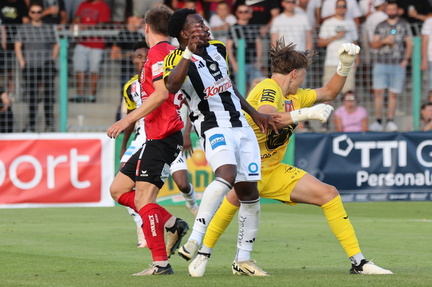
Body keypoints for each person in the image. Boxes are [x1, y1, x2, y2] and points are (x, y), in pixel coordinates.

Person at [187, 40, 393, 277]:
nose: (304, 80)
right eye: (303, 75)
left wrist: (344, 66)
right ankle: (205, 254)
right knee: (231, 203)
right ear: (295, 73)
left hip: (273, 170)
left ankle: (359, 262)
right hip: (249, 165)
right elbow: (266, 115)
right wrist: (305, 114)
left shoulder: (296, 96)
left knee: (329, 194)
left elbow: (329, 92)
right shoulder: (269, 86)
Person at [164, 8, 277, 277]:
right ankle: (195, 238)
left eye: (203, 24)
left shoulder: (218, 48)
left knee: (250, 193)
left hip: (240, 125)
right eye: (198, 26)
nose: (205, 28)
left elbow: (228, 85)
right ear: (183, 33)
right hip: (212, 125)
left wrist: (254, 112)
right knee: (225, 174)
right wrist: (188, 53)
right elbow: (171, 86)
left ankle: (243, 260)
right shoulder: (174, 58)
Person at [106, 6, 189, 276]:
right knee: (118, 190)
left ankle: (161, 264)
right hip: (154, 135)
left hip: (163, 134)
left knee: (144, 198)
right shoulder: (171, 53)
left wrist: (126, 120)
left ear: (146, 27)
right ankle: (172, 223)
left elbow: (161, 94)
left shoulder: (158, 53)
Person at [119, 41, 199, 248]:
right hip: (140, 138)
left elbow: (190, 105)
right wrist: (123, 145)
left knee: (181, 183)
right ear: (133, 60)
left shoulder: (168, 81)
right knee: (120, 185)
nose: (142, 60)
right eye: (138, 57)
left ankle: (191, 205)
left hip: (165, 136)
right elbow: (130, 115)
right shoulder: (130, 87)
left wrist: (187, 134)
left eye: (145, 56)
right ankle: (141, 223)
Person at [14, 2, 59, 132]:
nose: (36, 15)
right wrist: (22, 62)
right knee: (32, 97)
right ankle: (32, 125)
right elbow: (18, 45)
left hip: (46, 65)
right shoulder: (24, 28)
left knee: (48, 97)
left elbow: (56, 44)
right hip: (30, 66)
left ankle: (49, 124)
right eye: (33, 12)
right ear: (29, 13)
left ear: (42, 13)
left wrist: (52, 59)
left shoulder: (48, 28)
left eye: (38, 12)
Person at [369, 1, 413, 132]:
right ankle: (378, 121)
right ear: (386, 10)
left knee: (393, 94)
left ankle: (390, 121)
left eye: (394, 9)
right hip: (381, 62)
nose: (391, 11)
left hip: (397, 63)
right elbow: (373, 44)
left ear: (397, 10)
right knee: (378, 92)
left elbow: (409, 44)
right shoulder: (380, 25)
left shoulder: (404, 24)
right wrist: (384, 41)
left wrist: (406, 60)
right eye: (389, 9)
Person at [69, 0, 111, 103]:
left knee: (94, 70)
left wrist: (85, 27)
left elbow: (101, 25)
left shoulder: (103, 6)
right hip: (82, 41)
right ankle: (80, 94)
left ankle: (92, 95)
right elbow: (77, 18)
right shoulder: (83, 4)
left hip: (97, 43)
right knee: (80, 69)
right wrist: (75, 24)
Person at [110, 14, 144, 120]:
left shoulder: (140, 36)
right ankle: (120, 123)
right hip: (126, 72)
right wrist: (129, 54)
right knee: (125, 97)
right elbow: (113, 55)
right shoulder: (122, 35)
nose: (140, 20)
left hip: (139, 72)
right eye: (138, 18)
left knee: (140, 98)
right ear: (130, 19)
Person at [227, 4, 263, 90]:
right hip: (239, 63)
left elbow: (258, 44)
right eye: (240, 12)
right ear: (237, 13)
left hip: (253, 62)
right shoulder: (233, 28)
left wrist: (258, 60)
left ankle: (250, 103)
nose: (243, 14)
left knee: (257, 86)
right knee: (240, 88)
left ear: (250, 13)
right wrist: (234, 63)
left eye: (246, 11)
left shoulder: (253, 27)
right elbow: (229, 47)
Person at [0, 0, 29, 95]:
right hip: (5, 38)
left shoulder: (21, 3)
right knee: (8, 66)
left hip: (19, 37)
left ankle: (24, 87)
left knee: (23, 63)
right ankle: (10, 88)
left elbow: (25, 21)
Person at [422, 15, 432, 102]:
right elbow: (424, 40)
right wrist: (424, 60)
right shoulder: (429, 21)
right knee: (429, 87)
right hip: (430, 59)